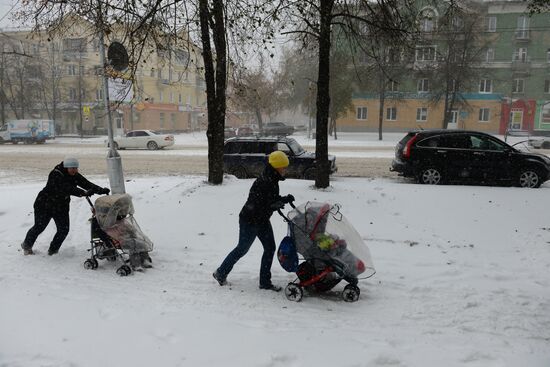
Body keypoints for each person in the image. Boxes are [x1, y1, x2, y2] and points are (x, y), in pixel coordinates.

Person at [213, 151, 295, 291]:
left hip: (261, 220)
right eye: (283, 167)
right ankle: (221, 272)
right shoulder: (265, 181)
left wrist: (283, 199)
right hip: (250, 220)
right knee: (242, 249)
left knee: (270, 248)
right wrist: (274, 204)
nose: (285, 170)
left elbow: (270, 199)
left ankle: (264, 282)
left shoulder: (272, 179)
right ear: (277, 167)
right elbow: (259, 202)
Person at [21, 157, 110, 256]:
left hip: (61, 206)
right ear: (66, 167)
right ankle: (27, 246)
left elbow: (86, 183)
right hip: (44, 204)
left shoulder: (74, 174)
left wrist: (100, 190)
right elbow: (65, 188)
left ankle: (53, 250)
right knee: (39, 227)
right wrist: (82, 192)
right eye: (72, 168)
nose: (74, 170)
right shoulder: (55, 174)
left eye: (76, 168)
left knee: (63, 230)